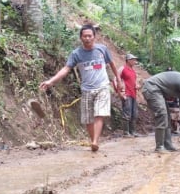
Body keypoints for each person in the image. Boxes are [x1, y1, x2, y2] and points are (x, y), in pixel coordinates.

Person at [40, 24, 122, 152]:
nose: (88, 38)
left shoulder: (102, 49)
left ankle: (95, 141)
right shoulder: (76, 54)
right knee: (88, 118)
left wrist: (118, 79)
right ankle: (93, 141)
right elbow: (66, 69)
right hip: (86, 89)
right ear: (81, 38)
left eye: (90, 36)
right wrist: (51, 81)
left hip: (102, 86)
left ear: (94, 37)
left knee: (99, 114)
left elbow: (112, 64)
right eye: (85, 36)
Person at [120, 53, 141, 137]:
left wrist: (137, 85)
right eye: (133, 60)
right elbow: (116, 80)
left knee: (134, 114)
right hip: (127, 94)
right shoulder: (123, 69)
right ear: (128, 60)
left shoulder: (132, 70)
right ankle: (126, 132)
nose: (135, 61)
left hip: (133, 94)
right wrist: (121, 92)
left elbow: (134, 81)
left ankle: (133, 131)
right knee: (127, 113)